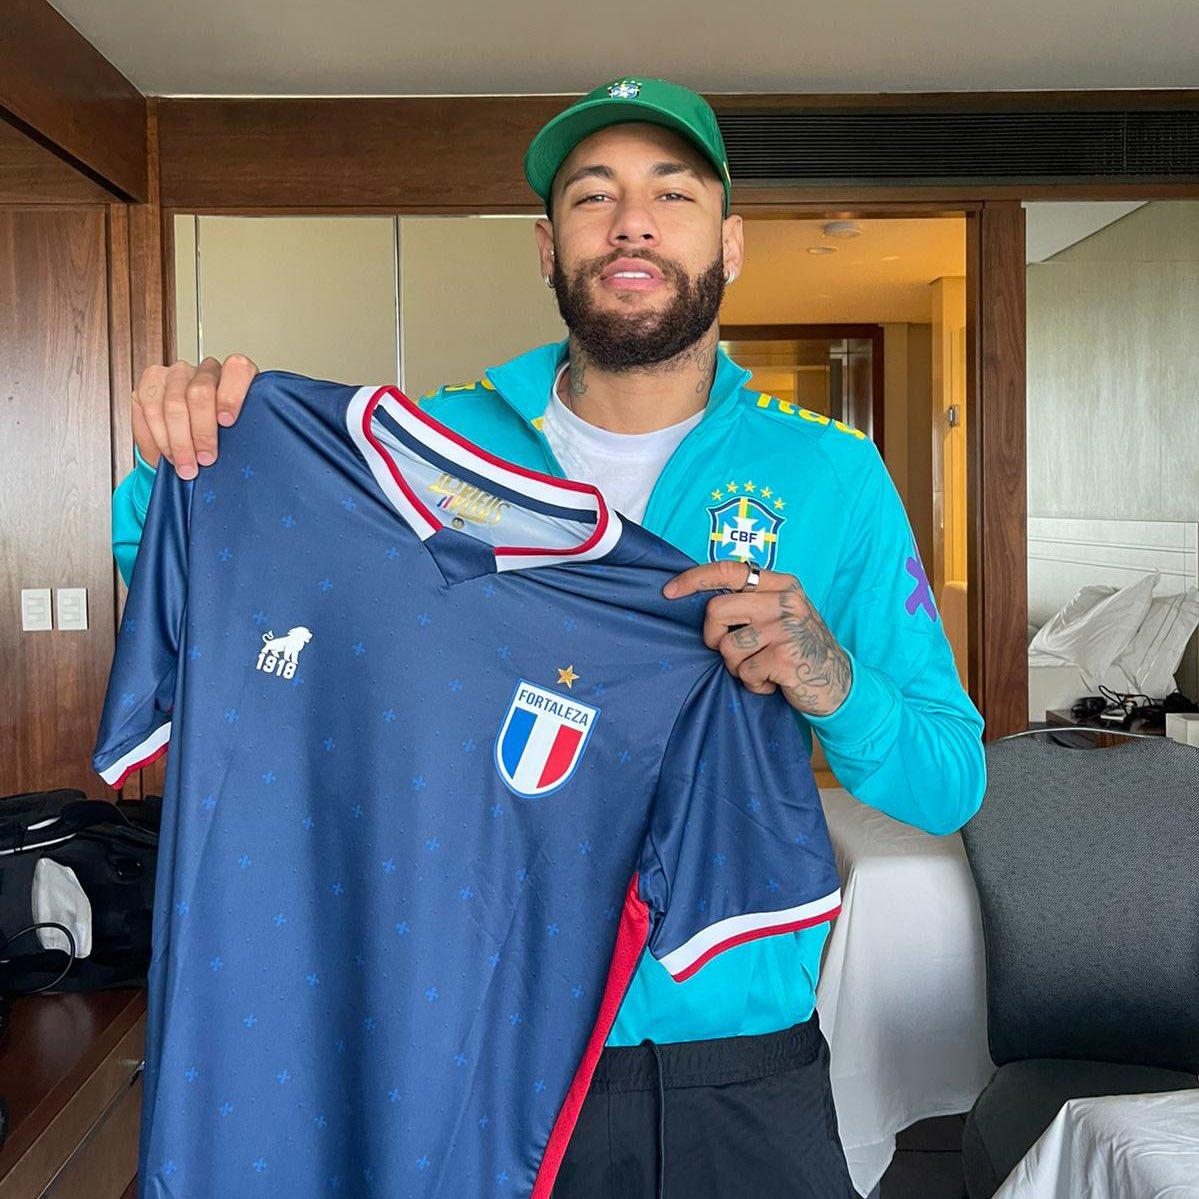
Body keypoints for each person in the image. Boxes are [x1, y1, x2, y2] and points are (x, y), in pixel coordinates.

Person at [112, 77, 985, 1199]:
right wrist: (187, 460)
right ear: (547, 246)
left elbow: (948, 781)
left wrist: (829, 678)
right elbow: (210, 584)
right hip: (462, 1037)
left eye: (671, 194)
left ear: (728, 243)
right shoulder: (428, 446)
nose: (632, 222)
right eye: (593, 196)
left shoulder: (832, 473)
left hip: (728, 1056)